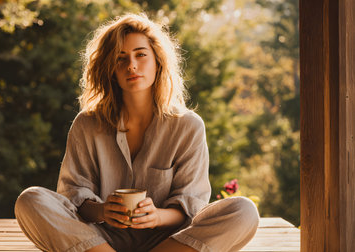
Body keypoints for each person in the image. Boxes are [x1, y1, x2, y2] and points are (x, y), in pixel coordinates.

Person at [14, 13, 259, 252]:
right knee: (31, 200)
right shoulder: (87, 124)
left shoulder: (187, 126)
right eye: (120, 58)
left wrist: (156, 217)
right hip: (99, 239)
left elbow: (190, 205)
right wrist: (102, 211)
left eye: (140, 54)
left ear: (157, 61)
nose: (131, 65)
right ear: (110, 68)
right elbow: (73, 197)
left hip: (168, 241)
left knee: (243, 212)